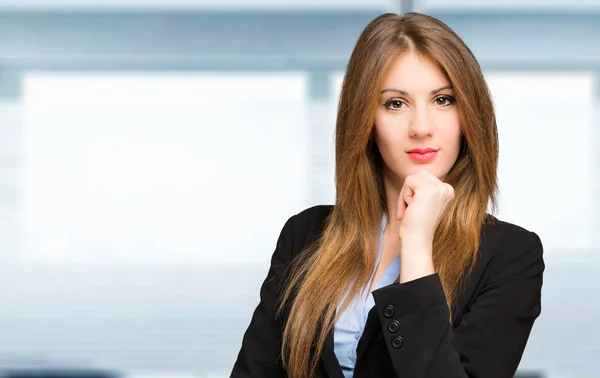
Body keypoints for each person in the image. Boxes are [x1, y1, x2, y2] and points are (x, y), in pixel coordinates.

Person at [229, 12, 544, 378]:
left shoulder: (510, 255)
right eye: (395, 103)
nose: (422, 128)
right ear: (366, 119)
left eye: (443, 100)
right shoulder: (305, 235)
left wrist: (417, 242)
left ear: (469, 113)